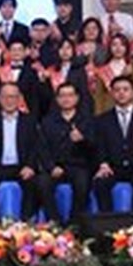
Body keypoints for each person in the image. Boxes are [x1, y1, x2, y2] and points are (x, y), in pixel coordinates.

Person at [0, 82, 56, 222]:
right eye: (5, 97)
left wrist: (30, 166)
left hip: (22, 165)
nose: (9, 101)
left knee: (32, 183)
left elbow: (36, 146)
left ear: (20, 99)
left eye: (13, 97)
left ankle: (26, 220)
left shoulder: (29, 120)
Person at [93, 76, 133, 214]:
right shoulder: (102, 119)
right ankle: (108, 222)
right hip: (113, 167)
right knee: (100, 183)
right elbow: (99, 145)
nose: (121, 93)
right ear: (112, 93)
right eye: (117, 90)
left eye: (125, 89)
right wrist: (103, 163)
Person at [40, 82, 96, 220]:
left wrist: (82, 140)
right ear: (57, 99)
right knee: (42, 183)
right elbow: (42, 148)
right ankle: (54, 221)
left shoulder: (88, 120)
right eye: (62, 96)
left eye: (70, 95)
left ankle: (75, 222)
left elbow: (95, 148)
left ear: (77, 98)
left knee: (82, 184)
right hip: (56, 166)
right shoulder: (47, 122)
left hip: (79, 166)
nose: (66, 99)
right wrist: (51, 167)